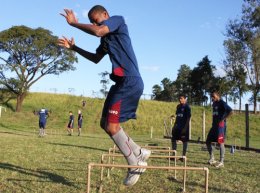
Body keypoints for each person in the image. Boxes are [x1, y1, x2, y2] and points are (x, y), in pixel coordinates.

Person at [58, 5, 151, 186]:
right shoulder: (106, 40)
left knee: (112, 125)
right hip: (120, 83)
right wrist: (74, 48)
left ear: (105, 15)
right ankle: (138, 152)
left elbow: (99, 31)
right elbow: (95, 58)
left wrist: (75, 24)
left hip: (129, 80)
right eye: (91, 21)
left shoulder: (117, 21)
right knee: (104, 122)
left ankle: (135, 163)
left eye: (95, 19)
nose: (93, 23)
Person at [206, 90, 232, 168]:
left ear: (218, 96)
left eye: (213, 96)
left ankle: (221, 162)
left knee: (220, 142)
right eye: (211, 97)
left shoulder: (222, 103)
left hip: (220, 126)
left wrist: (223, 119)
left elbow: (230, 111)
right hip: (214, 126)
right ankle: (212, 158)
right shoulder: (214, 104)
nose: (212, 98)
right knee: (208, 141)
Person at [171, 94, 191, 161]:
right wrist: (174, 126)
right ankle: (173, 155)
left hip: (184, 127)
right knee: (173, 139)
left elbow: (188, 118)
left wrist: (185, 128)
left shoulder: (187, 107)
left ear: (185, 99)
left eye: (181, 98)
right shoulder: (178, 106)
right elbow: (177, 117)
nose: (180, 100)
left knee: (184, 141)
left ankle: (183, 156)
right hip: (177, 127)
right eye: (179, 98)